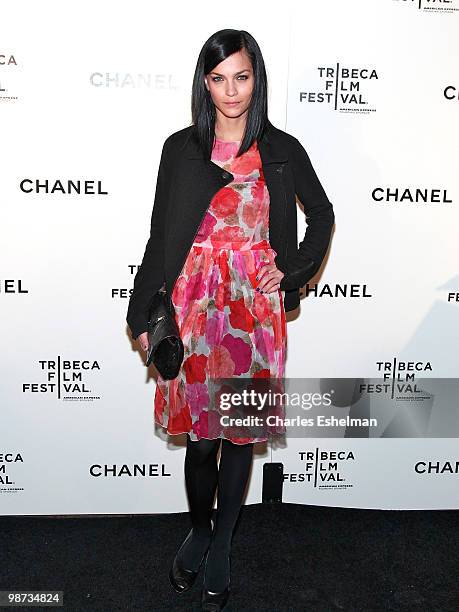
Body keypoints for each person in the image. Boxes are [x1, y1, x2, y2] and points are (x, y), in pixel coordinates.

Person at [127, 29, 335, 612]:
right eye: (218, 78)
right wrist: (141, 310)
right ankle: (199, 528)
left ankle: (222, 543)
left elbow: (321, 213)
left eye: (241, 76)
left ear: (257, 78)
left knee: (239, 438)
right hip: (192, 308)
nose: (231, 90)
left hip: (250, 314)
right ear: (205, 83)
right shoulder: (180, 149)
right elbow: (159, 236)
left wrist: (290, 273)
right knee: (200, 441)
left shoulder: (282, 148)